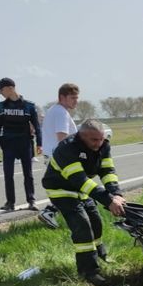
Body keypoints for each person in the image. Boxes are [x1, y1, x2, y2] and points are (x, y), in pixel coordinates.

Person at [42, 119, 126, 284]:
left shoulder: (103, 146)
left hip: (82, 190)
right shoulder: (66, 148)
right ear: (82, 136)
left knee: (96, 223)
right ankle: (88, 272)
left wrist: (116, 194)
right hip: (61, 190)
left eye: (101, 139)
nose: (98, 143)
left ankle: (101, 255)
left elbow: (107, 171)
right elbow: (79, 180)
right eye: (94, 140)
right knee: (83, 226)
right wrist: (108, 200)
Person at [0, 77, 42, 211]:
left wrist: (39, 143)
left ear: (10, 88)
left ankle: (31, 200)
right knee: (8, 174)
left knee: (28, 174)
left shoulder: (29, 106)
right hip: (8, 144)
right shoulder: (1, 106)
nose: (0, 93)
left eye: (1, 90)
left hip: (25, 144)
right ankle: (10, 202)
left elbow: (37, 126)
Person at [38, 83, 81, 229]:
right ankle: (49, 212)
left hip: (54, 155)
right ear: (62, 97)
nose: (76, 101)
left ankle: (57, 213)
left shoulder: (55, 110)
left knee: (68, 188)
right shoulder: (61, 113)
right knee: (72, 187)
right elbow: (62, 138)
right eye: (72, 98)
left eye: (77, 98)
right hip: (60, 157)